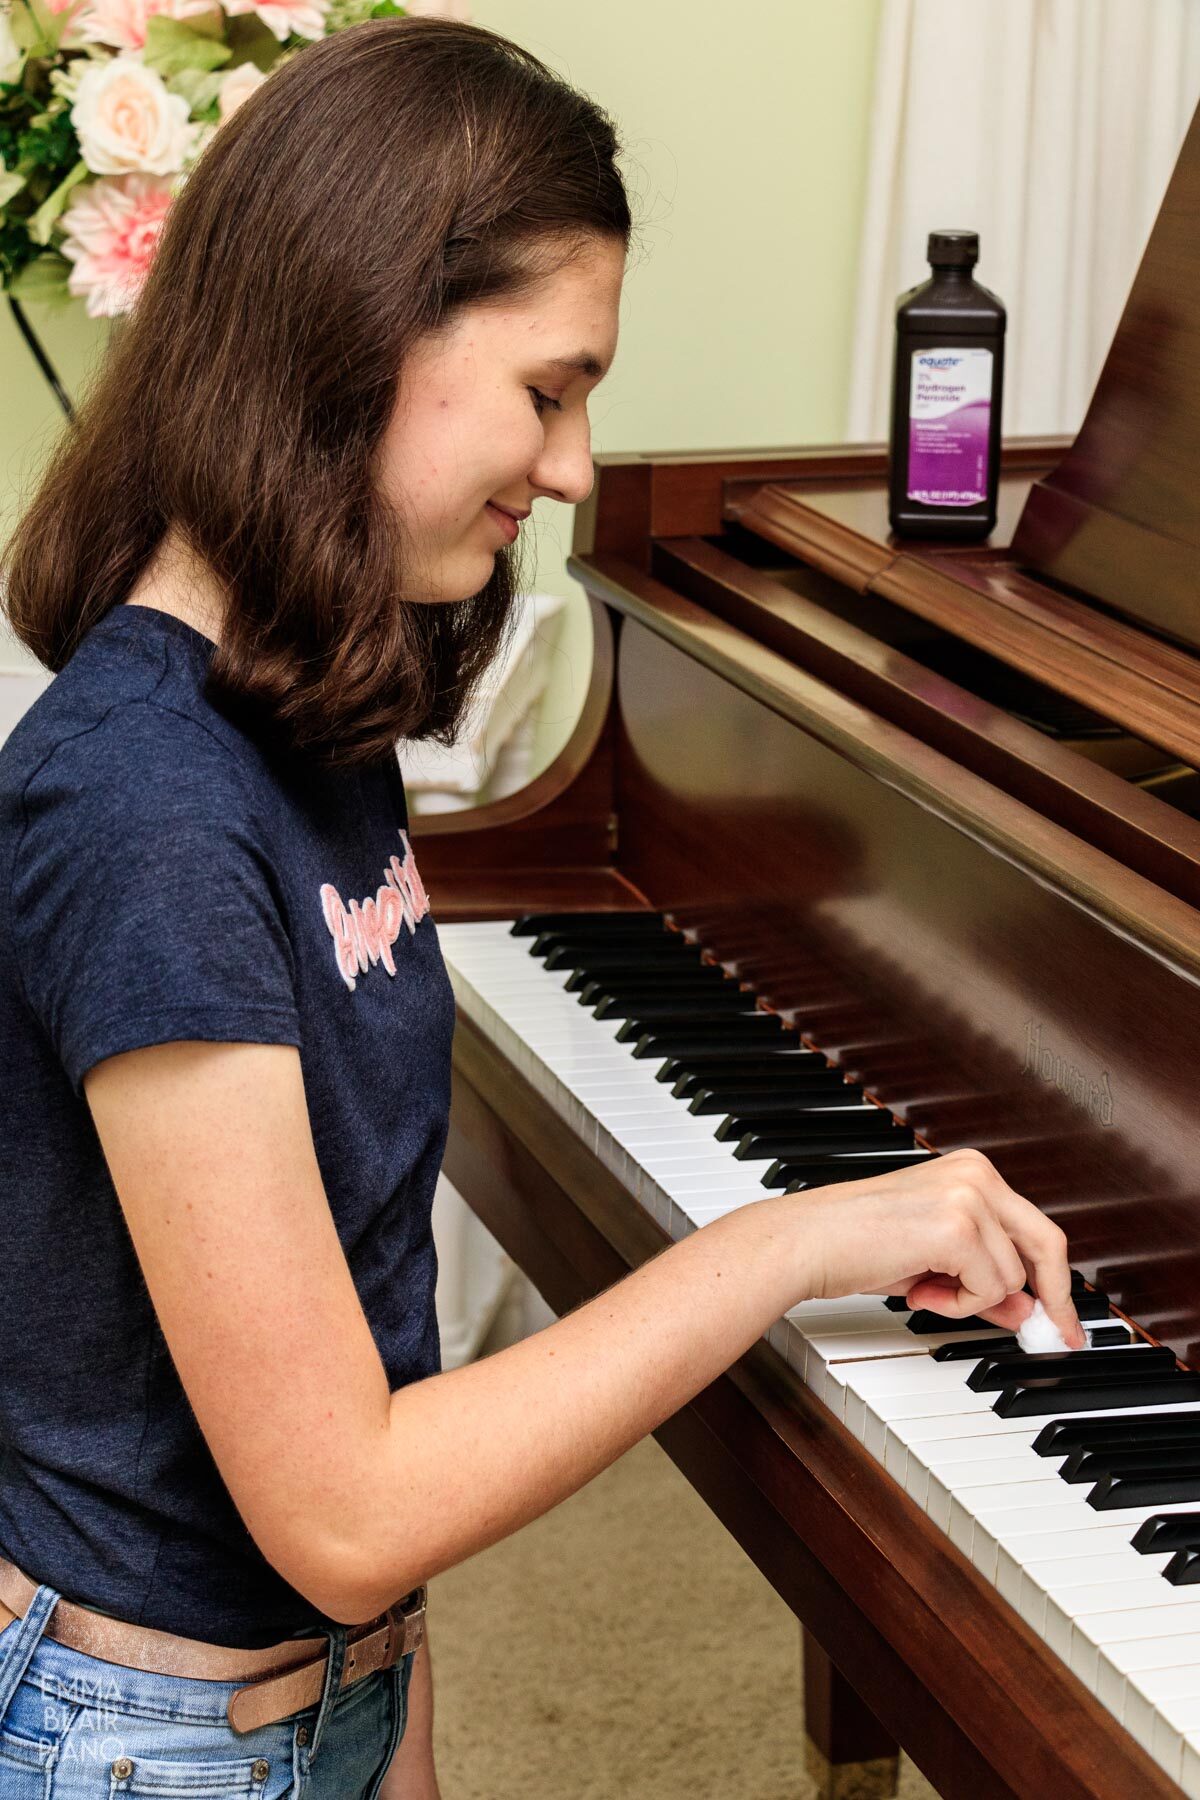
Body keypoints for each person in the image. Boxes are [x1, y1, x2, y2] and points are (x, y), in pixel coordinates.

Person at [0, 16, 1084, 1797]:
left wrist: (394, 1713)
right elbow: (342, 1504)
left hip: (319, 1692)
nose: (577, 466)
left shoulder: (300, 696)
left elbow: (358, 1324)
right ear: (364, 338)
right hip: (148, 1743)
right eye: (550, 389)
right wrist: (789, 1241)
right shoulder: (140, 806)